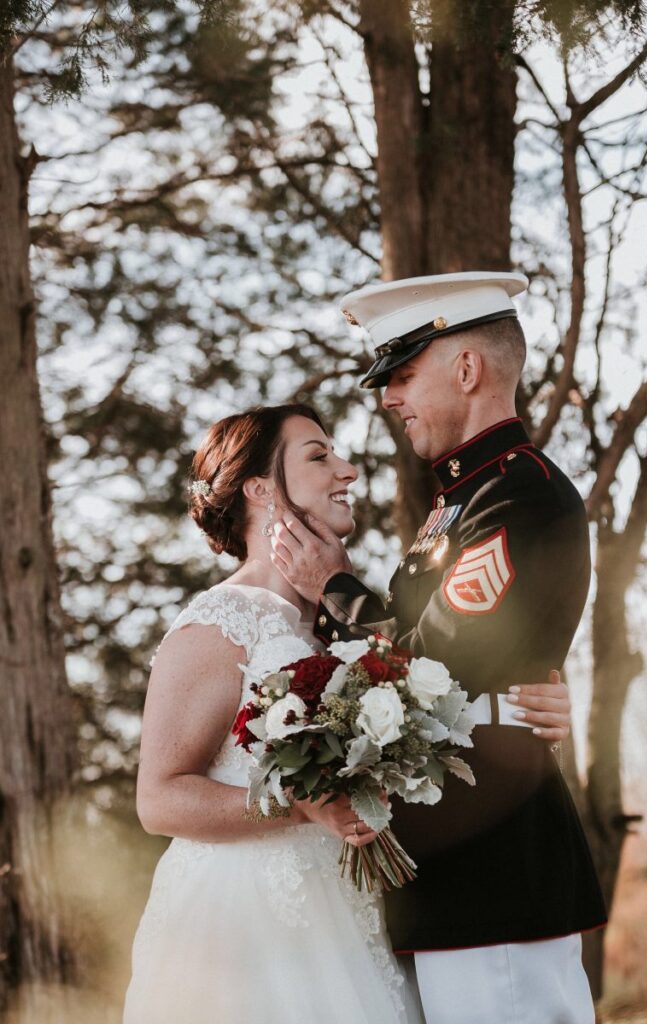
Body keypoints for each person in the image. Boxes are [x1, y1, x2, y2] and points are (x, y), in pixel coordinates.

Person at [123, 400, 568, 1024]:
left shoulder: (342, 628)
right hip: (248, 931)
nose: (348, 470)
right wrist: (297, 805)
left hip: (356, 916)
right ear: (258, 488)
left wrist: (526, 704)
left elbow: (436, 676)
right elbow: (159, 800)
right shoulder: (214, 626)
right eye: (319, 456)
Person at [270, 272, 608, 1024]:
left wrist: (336, 585)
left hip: (494, 865)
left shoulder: (519, 496)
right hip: (450, 861)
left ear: (467, 368)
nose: (388, 396)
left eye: (402, 373)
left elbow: (436, 667)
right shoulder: (460, 503)